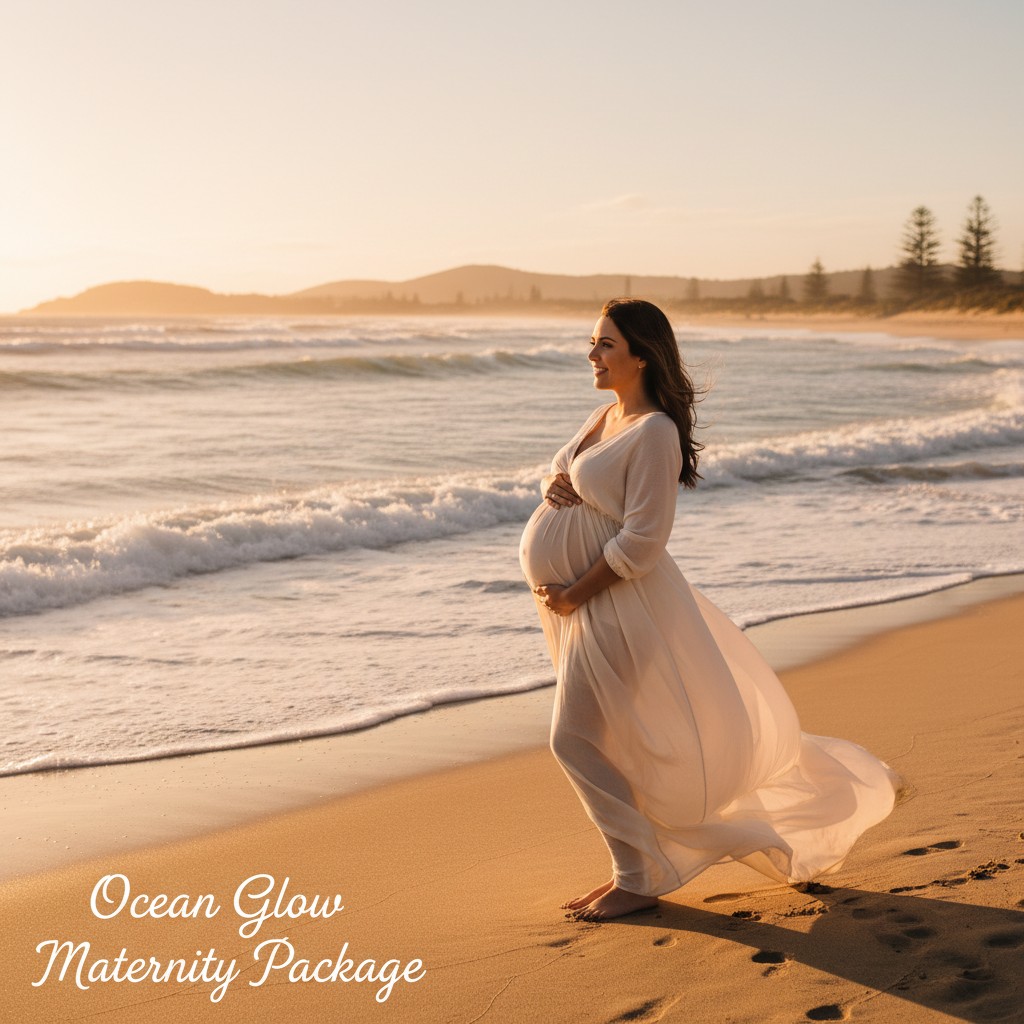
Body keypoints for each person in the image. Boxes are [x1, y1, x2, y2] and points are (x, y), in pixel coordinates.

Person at [518, 298, 899, 922]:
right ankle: (636, 868)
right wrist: (551, 488)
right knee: (607, 741)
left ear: (641, 355)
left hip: (620, 604)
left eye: (605, 344)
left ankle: (637, 876)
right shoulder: (603, 415)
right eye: (593, 342)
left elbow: (643, 540)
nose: (591, 354)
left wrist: (572, 593)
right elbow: (567, 481)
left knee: (573, 740)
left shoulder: (656, 431)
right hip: (584, 607)